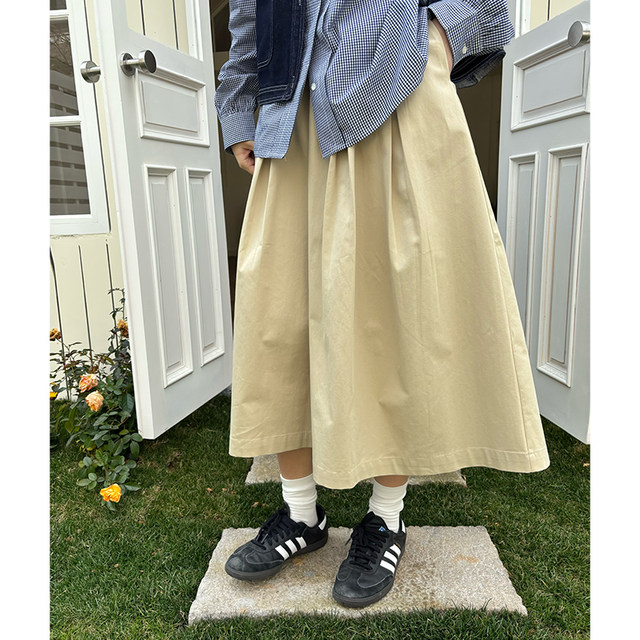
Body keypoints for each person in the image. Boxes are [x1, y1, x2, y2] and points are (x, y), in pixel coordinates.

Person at [214, 0, 551, 608]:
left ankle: (386, 518)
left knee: (392, 314)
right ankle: (300, 513)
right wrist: (239, 108)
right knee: (279, 319)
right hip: (292, 112)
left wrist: (434, 35)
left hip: (396, 90)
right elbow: (249, 13)